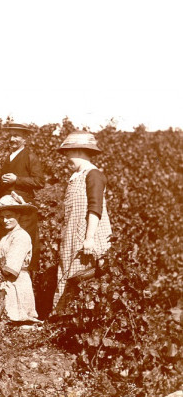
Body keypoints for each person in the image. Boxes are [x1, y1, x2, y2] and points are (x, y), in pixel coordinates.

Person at [53, 131, 113, 309]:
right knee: (68, 275)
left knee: (84, 279)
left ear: (79, 151)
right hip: (72, 237)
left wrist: (89, 238)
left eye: (68, 153)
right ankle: (61, 322)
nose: (66, 158)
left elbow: (95, 208)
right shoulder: (75, 178)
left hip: (86, 237)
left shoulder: (93, 174)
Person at [0, 193, 42, 328]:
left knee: (15, 320)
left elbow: (11, 270)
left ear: (18, 216)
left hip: (15, 285)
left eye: (9, 216)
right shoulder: (7, 236)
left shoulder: (21, 236)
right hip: (3, 284)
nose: (5, 221)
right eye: (2, 217)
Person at [0, 122, 44, 271]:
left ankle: (24, 282)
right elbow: (2, 187)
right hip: (7, 209)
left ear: (25, 139)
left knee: (22, 244)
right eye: (11, 135)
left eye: (17, 136)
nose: (13, 139)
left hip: (23, 210)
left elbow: (40, 181)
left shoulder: (30, 156)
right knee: (5, 243)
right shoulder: (8, 157)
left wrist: (17, 179)